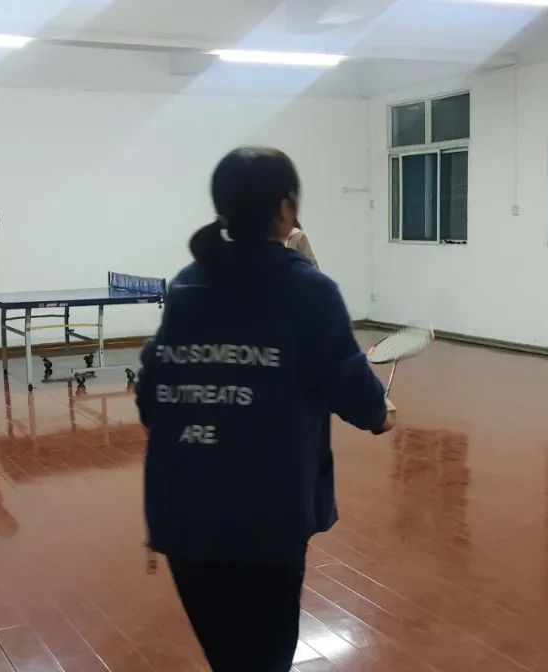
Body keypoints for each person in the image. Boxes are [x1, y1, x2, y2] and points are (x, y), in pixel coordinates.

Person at [135, 147, 395, 672]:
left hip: (182, 510)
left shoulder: (188, 282)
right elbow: (354, 389)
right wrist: (381, 412)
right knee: (265, 657)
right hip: (264, 516)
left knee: (229, 657)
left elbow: (150, 397)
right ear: (286, 209)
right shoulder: (308, 289)